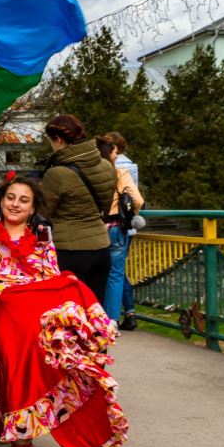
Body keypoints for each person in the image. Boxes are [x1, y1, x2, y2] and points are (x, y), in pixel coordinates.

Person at [0, 174, 128, 447]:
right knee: (14, 363)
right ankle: (20, 437)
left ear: (33, 207)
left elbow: (50, 276)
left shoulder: (42, 236)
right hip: (4, 305)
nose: (15, 204)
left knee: (42, 353)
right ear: (1, 199)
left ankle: (21, 436)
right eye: (11, 197)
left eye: (24, 200)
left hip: (34, 305)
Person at [40, 114, 116, 304]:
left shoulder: (57, 174)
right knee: (95, 310)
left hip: (70, 251)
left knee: (69, 313)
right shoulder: (107, 166)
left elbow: (43, 213)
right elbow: (105, 205)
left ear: (57, 139)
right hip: (101, 247)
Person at [96, 134, 144, 323]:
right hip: (116, 227)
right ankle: (112, 320)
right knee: (115, 275)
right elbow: (138, 200)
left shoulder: (90, 174)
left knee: (98, 272)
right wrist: (131, 215)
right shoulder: (119, 173)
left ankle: (95, 317)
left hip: (95, 228)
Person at [109, 132, 141, 329]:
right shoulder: (131, 166)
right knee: (118, 271)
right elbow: (136, 198)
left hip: (110, 222)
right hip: (125, 224)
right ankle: (129, 312)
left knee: (113, 272)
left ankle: (121, 314)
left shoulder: (115, 167)